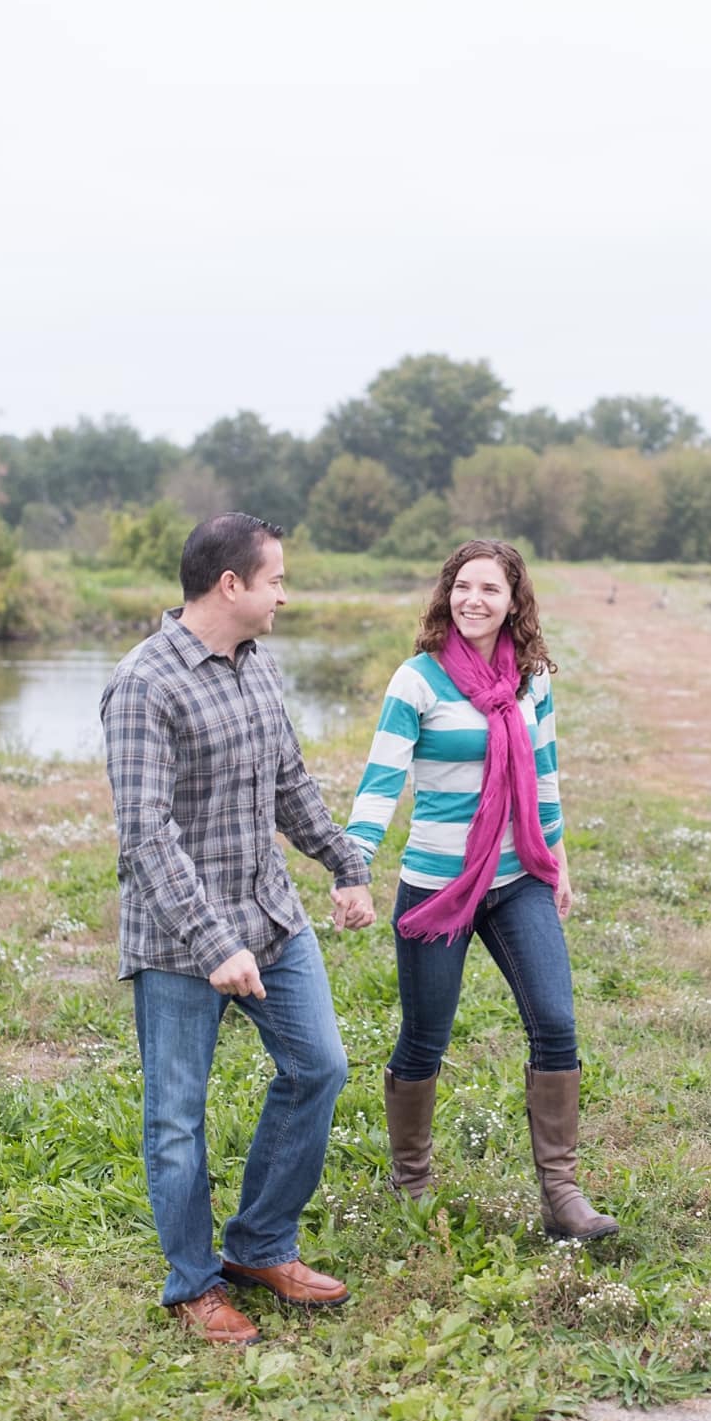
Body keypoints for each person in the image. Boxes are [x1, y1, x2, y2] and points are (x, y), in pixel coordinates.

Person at [101, 513, 376, 1346]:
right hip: (181, 942)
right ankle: (193, 1284)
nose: (284, 595)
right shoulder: (143, 683)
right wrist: (212, 942)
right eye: (276, 580)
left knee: (319, 1067)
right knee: (176, 1119)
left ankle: (258, 1244)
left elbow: (289, 782)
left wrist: (346, 864)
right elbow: (146, 834)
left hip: (272, 917)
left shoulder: (258, 665)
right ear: (231, 585)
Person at [342, 539, 617, 1241]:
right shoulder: (418, 680)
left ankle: (562, 1195)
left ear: (513, 601)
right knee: (425, 1036)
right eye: (464, 586)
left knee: (555, 1022)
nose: (474, 600)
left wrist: (556, 861)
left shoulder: (531, 680)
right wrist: (356, 865)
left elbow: (546, 772)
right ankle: (411, 1183)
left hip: (516, 876)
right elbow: (382, 780)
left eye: (490, 589)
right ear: (447, 593)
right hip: (438, 886)